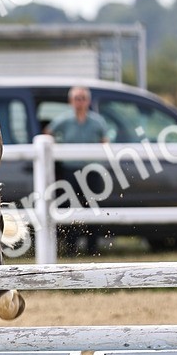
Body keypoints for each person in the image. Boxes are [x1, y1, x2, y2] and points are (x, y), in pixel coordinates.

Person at [45, 86, 109, 256]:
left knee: (93, 206)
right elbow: (47, 133)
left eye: (82, 98)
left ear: (88, 101)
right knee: (71, 208)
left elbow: (105, 141)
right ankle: (71, 247)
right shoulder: (63, 120)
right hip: (70, 171)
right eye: (76, 98)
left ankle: (92, 247)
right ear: (70, 101)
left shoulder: (97, 121)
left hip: (92, 171)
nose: (79, 102)